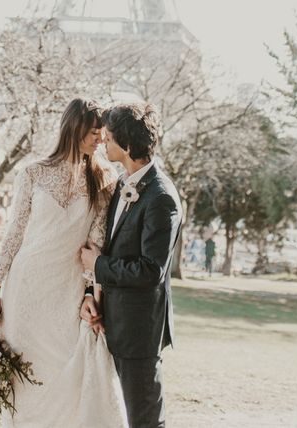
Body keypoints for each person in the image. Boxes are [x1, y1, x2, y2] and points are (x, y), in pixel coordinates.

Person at [0, 98, 128, 428]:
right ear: (73, 128)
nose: (100, 139)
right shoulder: (33, 173)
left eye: (102, 134)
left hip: (66, 292)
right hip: (24, 291)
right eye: (93, 132)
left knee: (65, 372)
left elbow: (96, 243)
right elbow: (13, 236)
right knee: (21, 381)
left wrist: (92, 294)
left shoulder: (106, 178)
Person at [80, 103, 182, 428]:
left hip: (139, 330)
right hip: (115, 321)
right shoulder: (125, 184)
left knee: (145, 420)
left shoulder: (160, 197)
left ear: (126, 145)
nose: (103, 144)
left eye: (108, 139)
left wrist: (98, 265)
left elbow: (151, 271)